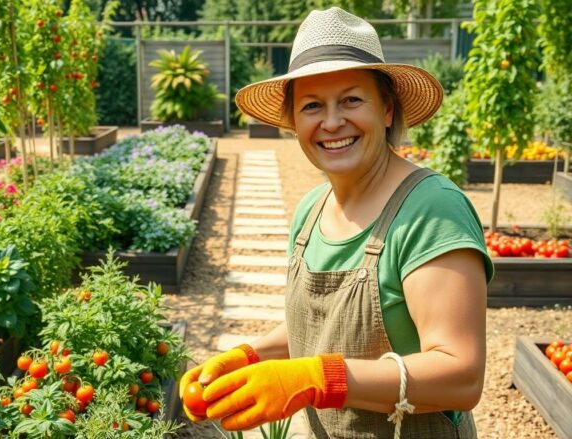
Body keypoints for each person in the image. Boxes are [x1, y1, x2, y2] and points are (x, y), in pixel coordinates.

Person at [179, 7, 493, 438]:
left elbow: (460, 375)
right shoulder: (311, 210)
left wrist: (319, 379)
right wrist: (250, 355)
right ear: (293, 122)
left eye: (351, 100)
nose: (331, 122)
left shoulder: (431, 210)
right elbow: (320, 331)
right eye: (312, 106)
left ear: (386, 109)